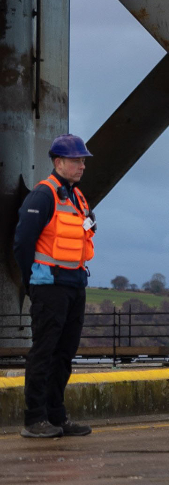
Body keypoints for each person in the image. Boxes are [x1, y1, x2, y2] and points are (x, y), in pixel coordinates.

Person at [12, 134, 97, 438]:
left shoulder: (77, 197)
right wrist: (32, 281)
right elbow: (22, 243)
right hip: (49, 286)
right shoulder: (42, 195)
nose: (81, 166)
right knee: (44, 351)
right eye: (76, 161)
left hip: (75, 285)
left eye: (83, 161)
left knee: (64, 352)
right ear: (58, 162)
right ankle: (34, 419)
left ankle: (56, 417)